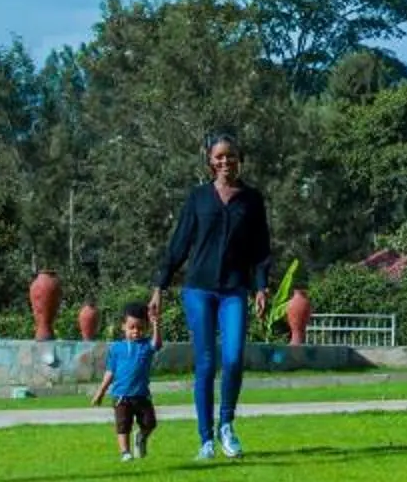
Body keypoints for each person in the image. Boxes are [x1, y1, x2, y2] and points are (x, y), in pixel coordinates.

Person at [151, 130, 272, 462]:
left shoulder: (252, 199)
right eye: (219, 157)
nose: (225, 162)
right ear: (210, 162)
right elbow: (179, 244)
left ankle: (226, 425)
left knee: (232, 358)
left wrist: (261, 286)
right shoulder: (198, 198)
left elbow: (261, 249)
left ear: (239, 160)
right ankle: (205, 439)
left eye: (230, 156)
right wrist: (159, 286)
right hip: (199, 289)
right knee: (205, 363)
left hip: (235, 289)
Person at [92, 301, 158, 461]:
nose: (136, 331)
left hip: (142, 395)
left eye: (141, 328)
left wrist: (156, 325)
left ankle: (141, 437)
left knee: (150, 423)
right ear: (123, 326)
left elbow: (157, 344)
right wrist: (100, 392)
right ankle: (125, 453)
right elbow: (110, 372)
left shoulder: (147, 346)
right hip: (121, 395)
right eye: (132, 327)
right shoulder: (116, 348)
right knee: (123, 425)